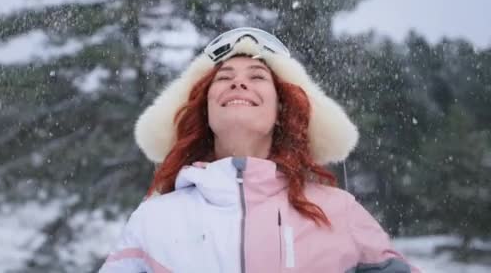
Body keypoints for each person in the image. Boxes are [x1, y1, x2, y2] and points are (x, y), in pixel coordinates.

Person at [99, 28, 420, 272]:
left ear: (282, 109)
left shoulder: (340, 211)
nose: (239, 84)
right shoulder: (153, 219)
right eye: (224, 78)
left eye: (257, 76)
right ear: (204, 109)